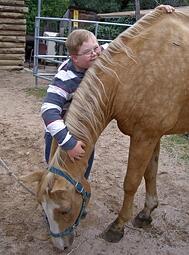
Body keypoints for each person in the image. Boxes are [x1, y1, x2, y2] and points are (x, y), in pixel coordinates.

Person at [41, 4, 175, 179]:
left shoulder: (99, 53)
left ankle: (80, 194)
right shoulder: (65, 77)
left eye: (96, 48)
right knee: (56, 169)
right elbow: (48, 110)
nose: (96, 54)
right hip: (60, 131)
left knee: (84, 164)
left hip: (83, 125)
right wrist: (68, 143)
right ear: (74, 57)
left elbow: (131, 38)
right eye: (88, 52)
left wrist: (155, 14)